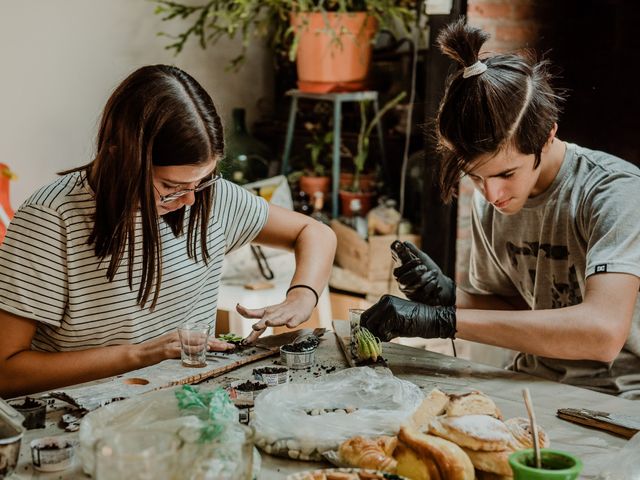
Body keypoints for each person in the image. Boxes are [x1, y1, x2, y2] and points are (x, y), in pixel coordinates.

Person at [0, 65, 336, 398]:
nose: (190, 200)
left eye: (201, 180)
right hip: (82, 420)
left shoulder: (208, 197)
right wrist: (142, 355)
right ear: (121, 158)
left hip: (188, 406)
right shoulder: (51, 220)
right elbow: (7, 371)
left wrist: (303, 295)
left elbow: (314, 232)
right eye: (171, 186)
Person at [361, 19, 640, 399]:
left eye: (506, 173)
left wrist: (445, 321)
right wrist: (447, 295)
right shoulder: (492, 200)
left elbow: (602, 333)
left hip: (617, 398)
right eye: (475, 177)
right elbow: (517, 307)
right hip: (533, 382)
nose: (491, 193)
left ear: (547, 135)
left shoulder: (614, 193)